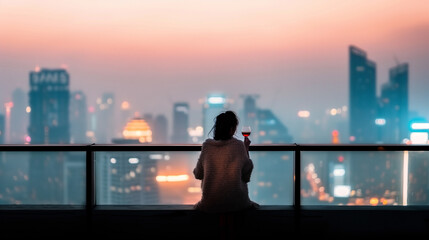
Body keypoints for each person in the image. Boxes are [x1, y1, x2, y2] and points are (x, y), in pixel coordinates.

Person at [193, 110, 259, 213]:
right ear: (232, 129)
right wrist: (245, 150)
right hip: (237, 204)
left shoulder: (207, 146)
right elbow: (246, 176)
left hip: (210, 204)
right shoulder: (238, 146)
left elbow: (198, 174)